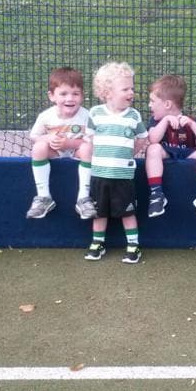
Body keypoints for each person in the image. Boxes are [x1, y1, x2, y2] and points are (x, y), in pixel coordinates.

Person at [84, 62, 149, 264]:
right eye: (126, 89)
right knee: (99, 211)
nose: (131, 92)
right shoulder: (95, 113)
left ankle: (133, 245)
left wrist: (128, 154)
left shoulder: (133, 115)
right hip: (99, 174)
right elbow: (90, 139)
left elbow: (142, 138)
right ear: (108, 92)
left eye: (132, 88)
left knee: (127, 211)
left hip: (123, 176)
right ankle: (97, 244)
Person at [25, 67, 94, 220]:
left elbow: (91, 140)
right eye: (63, 94)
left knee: (88, 148)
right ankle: (43, 197)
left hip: (77, 151)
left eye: (75, 94)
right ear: (52, 96)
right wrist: (48, 139)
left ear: (82, 96)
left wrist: (69, 143)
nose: (70, 98)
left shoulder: (87, 116)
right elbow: (34, 136)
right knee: (39, 147)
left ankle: (83, 199)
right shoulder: (46, 116)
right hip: (55, 151)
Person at [144, 75, 196, 218]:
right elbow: (153, 139)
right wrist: (164, 122)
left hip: (188, 152)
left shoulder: (189, 120)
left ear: (167, 104)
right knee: (153, 149)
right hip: (167, 152)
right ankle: (157, 194)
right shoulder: (155, 121)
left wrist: (192, 124)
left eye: (152, 101)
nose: (149, 105)